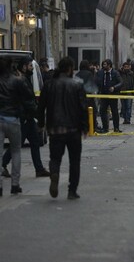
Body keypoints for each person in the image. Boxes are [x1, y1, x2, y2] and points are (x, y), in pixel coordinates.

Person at [37, 57, 88, 200]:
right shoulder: (77, 84)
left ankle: (54, 173)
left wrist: (41, 124)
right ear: (70, 68)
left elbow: (41, 107)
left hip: (55, 129)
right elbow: (83, 107)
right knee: (74, 160)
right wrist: (85, 127)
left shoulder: (49, 85)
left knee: (55, 158)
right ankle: (72, 191)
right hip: (73, 129)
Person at [2, 56, 50, 179]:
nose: (32, 68)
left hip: (27, 118)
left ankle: (39, 169)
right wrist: (39, 116)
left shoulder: (24, 79)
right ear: (24, 67)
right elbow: (28, 101)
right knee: (17, 146)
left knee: (34, 142)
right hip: (23, 118)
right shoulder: (21, 80)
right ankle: (3, 164)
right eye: (30, 66)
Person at [0, 56, 37, 196]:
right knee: (16, 151)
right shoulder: (17, 81)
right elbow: (28, 100)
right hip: (13, 119)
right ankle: (15, 184)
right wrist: (37, 116)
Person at [96, 59, 123, 133]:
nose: (103, 66)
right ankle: (105, 128)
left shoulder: (115, 73)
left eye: (105, 64)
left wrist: (114, 87)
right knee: (102, 111)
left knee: (114, 111)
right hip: (103, 95)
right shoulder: (100, 72)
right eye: (103, 64)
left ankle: (116, 128)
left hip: (112, 95)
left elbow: (120, 82)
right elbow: (97, 81)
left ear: (109, 65)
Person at [75, 59, 99, 132]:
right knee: (92, 112)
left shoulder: (77, 74)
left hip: (79, 97)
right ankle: (92, 127)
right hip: (88, 96)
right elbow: (92, 84)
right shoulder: (89, 74)